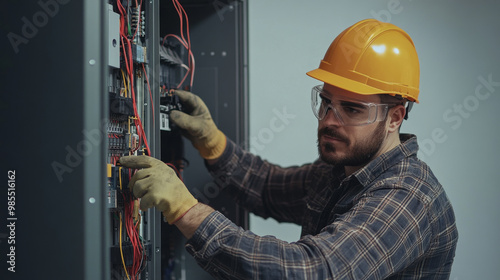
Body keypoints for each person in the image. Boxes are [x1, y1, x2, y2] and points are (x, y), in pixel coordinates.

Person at [120, 19, 458, 279]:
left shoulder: (408, 197)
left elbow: (314, 271)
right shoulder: (339, 171)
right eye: (326, 102)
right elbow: (267, 187)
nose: (329, 120)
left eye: (352, 109)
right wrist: (212, 142)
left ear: (395, 118)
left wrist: (188, 212)